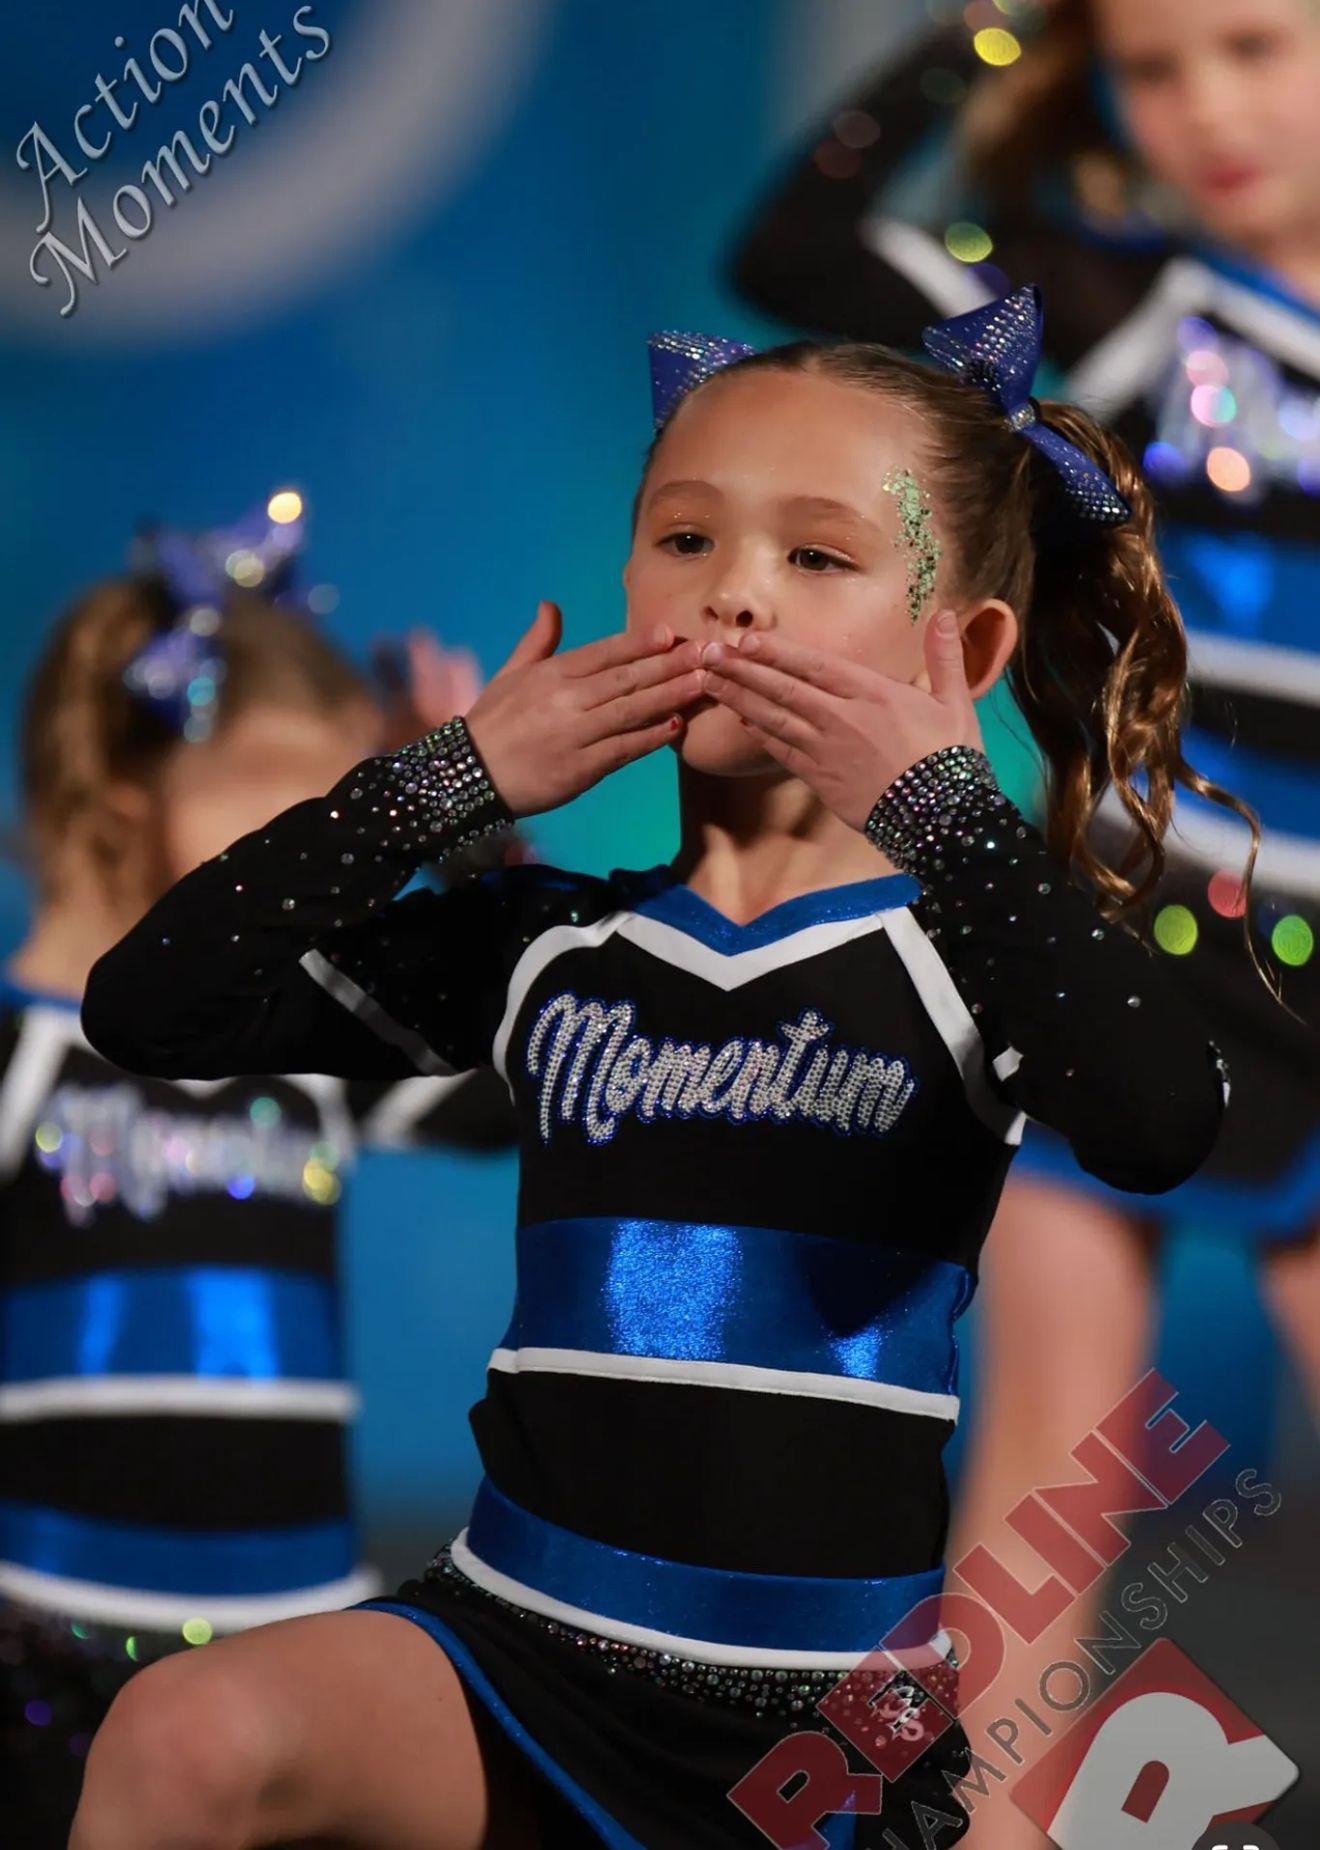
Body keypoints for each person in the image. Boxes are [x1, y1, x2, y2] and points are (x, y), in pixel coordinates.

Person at [67, 296, 1233, 1850]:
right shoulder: (547, 949)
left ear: (966, 648)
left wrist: (947, 816)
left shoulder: (976, 959)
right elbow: (155, 1006)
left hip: (821, 1739)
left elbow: (1165, 1120)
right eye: (686, 540)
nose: (735, 598)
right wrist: (447, 777)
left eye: (818, 557)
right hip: (505, 1659)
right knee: (185, 1729)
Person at [731, 10, 1320, 1836]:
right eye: (1148, 64)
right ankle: (995, 1830)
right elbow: (794, 253)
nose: (1205, 109)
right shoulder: (1119, 306)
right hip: (1138, 949)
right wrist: (985, 29)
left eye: (1255, 45)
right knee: (1054, 1455)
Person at [0, 500, 515, 1848]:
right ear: (127, 795)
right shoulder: (25, 1059)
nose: (326, 867)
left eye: (343, 823)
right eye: (290, 818)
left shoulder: (313, 1046)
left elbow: (528, 1085)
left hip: (291, 1655)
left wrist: (474, 853)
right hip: (47, 1655)